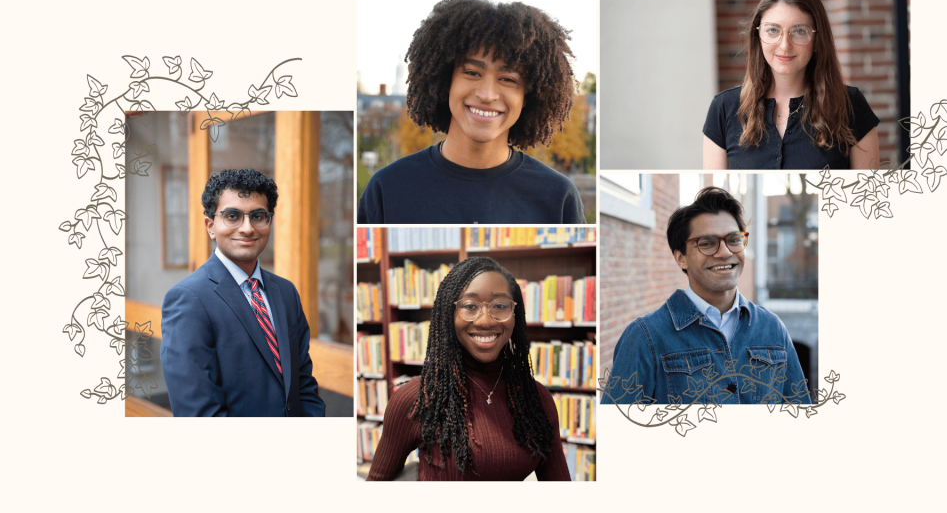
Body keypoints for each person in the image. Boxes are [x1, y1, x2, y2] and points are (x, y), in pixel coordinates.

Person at [357, 0, 586, 224]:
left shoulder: (557, 198)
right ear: (446, 80)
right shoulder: (387, 189)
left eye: (507, 79)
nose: (487, 94)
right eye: (472, 73)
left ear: (529, 95)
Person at [601, 187, 811, 406]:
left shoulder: (773, 329)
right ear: (681, 258)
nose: (725, 252)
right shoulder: (645, 337)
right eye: (707, 243)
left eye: (734, 240)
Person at [367, 257, 570, 481]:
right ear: (448, 315)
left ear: (516, 315)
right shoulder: (416, 399)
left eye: (500, 306)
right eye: (470, 306)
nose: (485, 321)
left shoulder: (536, 399)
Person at [160, 169, 325, 417]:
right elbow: (197, 412)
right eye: (232, 216)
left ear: (269, 221)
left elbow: (303, 384)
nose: (247, 228)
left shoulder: (286, 292)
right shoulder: (188, 299)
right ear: (210, 226)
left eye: (258, 216)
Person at [703, 0, 881, 170]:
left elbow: (868, 196)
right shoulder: (723, 109)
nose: (785, 45)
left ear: (817, 40)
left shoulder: (851, 106)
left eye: (799, 31)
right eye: (773, 30)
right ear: (758, 36)